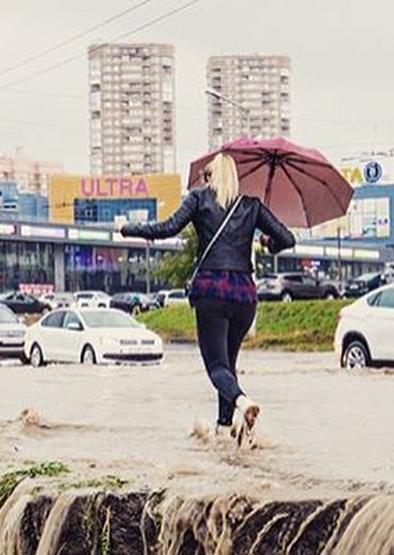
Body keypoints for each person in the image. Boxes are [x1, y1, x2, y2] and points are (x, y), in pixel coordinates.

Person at [119, 153, 295, 446]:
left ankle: (241, 401)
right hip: (244, 295)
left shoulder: (199, 199)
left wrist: (127, 229)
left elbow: (166, 228)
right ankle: (224, 431)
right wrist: (267, 242)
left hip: (212, 291)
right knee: (228, 365)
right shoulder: (251, 205)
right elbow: (287, 239)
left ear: (211, 177)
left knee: (216, 367)